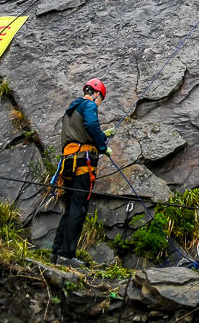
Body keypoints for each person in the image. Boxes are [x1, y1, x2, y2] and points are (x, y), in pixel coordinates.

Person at [51, 79, 112, 267]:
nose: (99, 103)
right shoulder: (89, 105)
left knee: (70, 207)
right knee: (79, 208)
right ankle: (66, 255)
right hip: (82, 164)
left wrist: (103, 136)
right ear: (97, 94)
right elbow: (92, 125)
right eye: (100, 99)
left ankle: (56, 252)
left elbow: (79, 133)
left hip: (68, 162)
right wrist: (102, 146)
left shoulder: (70, 111)